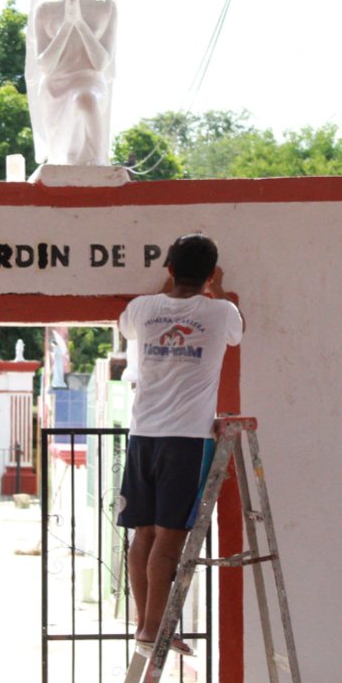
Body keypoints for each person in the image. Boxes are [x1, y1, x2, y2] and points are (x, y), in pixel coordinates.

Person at [117, 234, 244, 656]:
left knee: (144, 535)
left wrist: (168, 289)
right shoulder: (221, 311)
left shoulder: (142, 308)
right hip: (186, 440)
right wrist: (217, 288)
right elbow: (236, 333)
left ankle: (144, 624)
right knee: (170, 540)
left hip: (142, 437)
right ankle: (155, 630)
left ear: (168, 268)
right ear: (210, 274)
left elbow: (131, 323)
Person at [26, 0, 118, 166]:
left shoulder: (106, 8)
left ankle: (99, 162)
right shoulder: (45, 9)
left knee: (85, 97)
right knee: (69, 156)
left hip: (91, 81)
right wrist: (67, 24)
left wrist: (80, 22)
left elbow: (101, 63)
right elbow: (45, 64)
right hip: (56, 86)